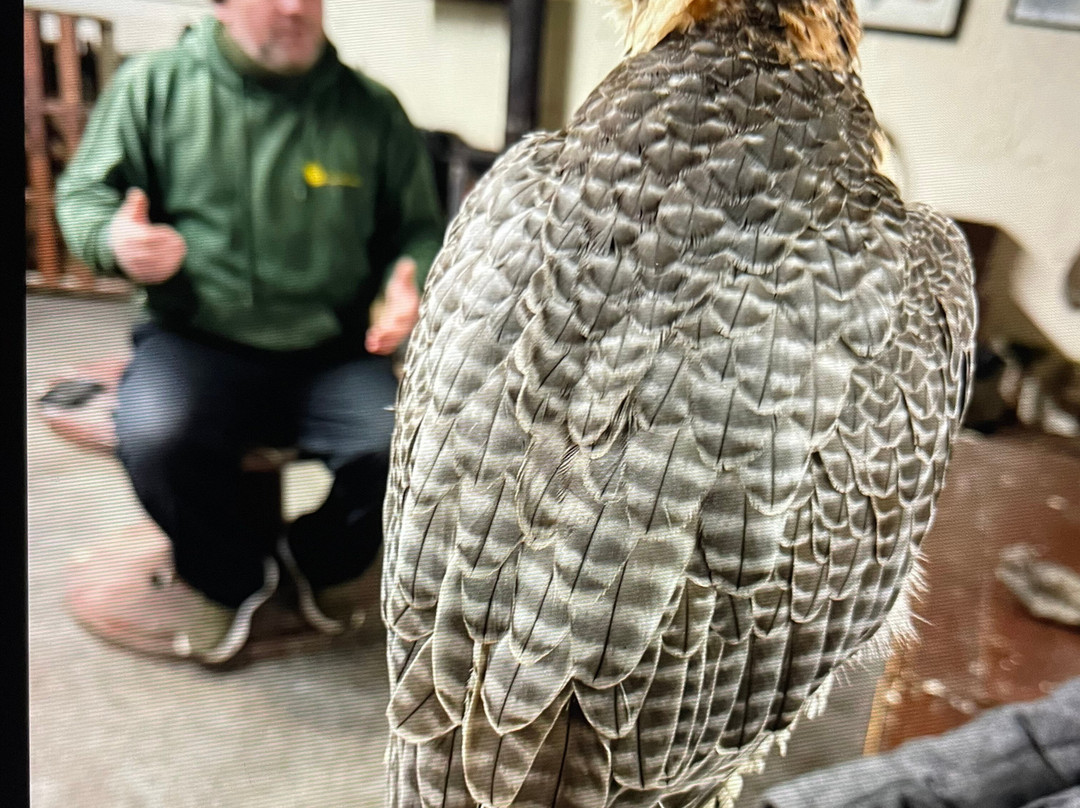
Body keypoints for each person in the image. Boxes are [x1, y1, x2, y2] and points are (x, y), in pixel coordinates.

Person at [54, 0, 445, 664]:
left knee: (406, 447)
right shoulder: (154, 87)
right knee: (155, 435)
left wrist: (407, 281)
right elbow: (83, 198)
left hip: (334, 347)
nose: (293, 6)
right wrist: (115, 240)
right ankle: (228, 576)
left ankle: (318, 557)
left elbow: (417, 230)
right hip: (195, 336)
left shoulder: (372, 110)